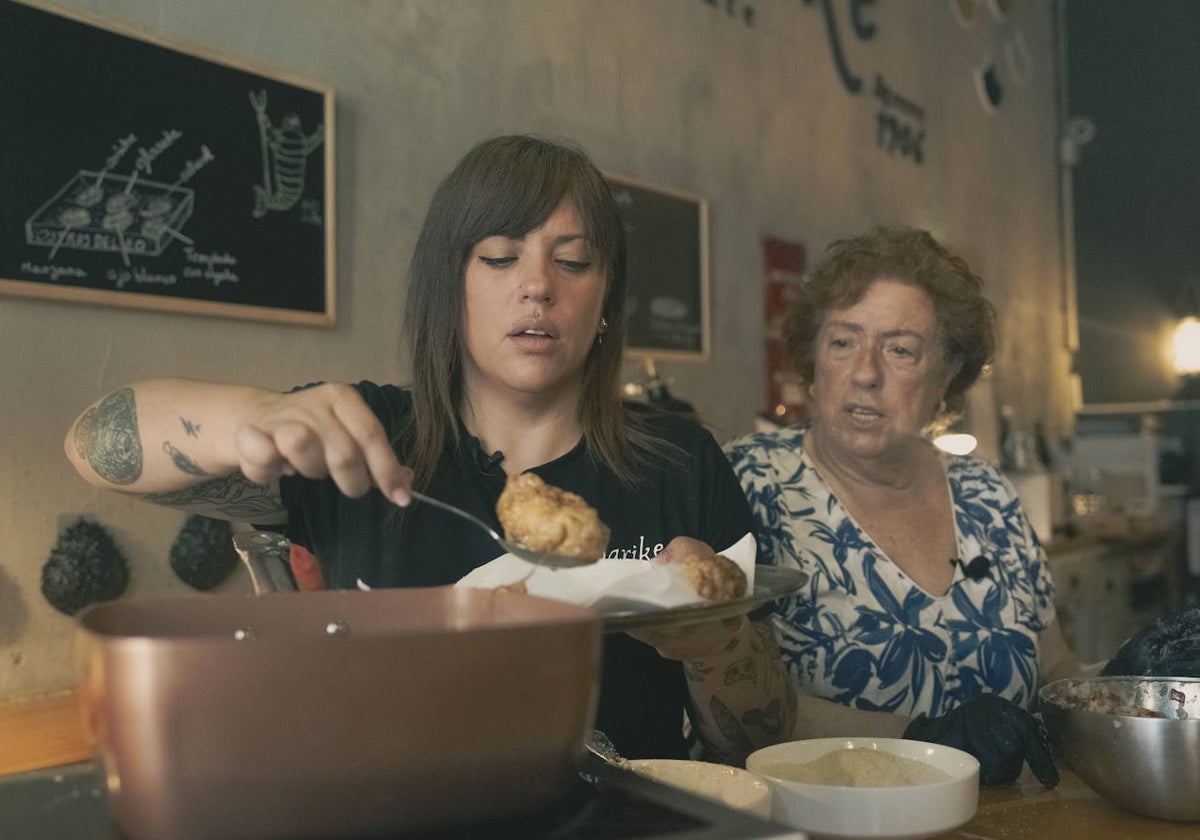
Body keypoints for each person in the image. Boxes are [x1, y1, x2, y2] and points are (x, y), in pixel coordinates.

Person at [64, 134, 791, 764]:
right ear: (452, 285)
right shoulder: (366, 439)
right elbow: (95, 444)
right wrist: (257, 415)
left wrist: (718, 642)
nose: (537, 287)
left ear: (605, 303)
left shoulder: (680, 461)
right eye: (501, 258)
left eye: (572, 262)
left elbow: (759, 742)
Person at [725, 226, 1092, 787]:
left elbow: (1054, 665)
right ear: (812, 358)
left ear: (946, 375)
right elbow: (728, 701)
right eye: (843, 341)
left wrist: (1130, 681)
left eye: (900, 349)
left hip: (1011, 819)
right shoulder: (745, 483)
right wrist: (925, 740)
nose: (866, 373)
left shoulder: (987, 494)